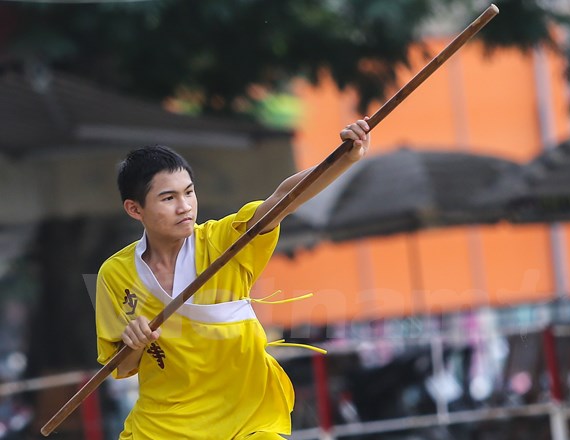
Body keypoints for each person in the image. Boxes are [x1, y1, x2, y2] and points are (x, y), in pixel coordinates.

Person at [95, 118, 370, 439]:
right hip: (164, 427)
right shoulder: (114, 273)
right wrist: (134, 342)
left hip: (247, 418)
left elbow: (285, 197)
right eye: (168, 198)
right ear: (134, 209)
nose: (185, 207)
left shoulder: (225, 241)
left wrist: (344, 159)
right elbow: (123, 367)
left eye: (189, 193)